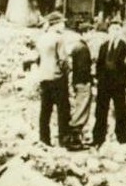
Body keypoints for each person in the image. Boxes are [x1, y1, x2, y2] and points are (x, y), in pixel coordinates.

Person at [93, 19, 126, 147]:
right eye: (113, 29)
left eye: (118, 29)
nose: (115, 32)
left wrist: (124, 82)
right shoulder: (104, 46)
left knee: (121, 110)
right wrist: (99, 78)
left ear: (121, 31)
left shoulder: (125, 47)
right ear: (109, 31)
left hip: (118, 85)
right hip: (104, 84)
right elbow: (99, 64)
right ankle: (98, 138)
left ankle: (122, 137)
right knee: (101, 110)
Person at [35, 12, 71, 147]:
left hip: (44, 76)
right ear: (56, 23)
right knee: (63, 110)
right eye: (62, 22)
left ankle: (44, 139)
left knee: (45, 110)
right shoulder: (58, 38)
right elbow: (63, 60)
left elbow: (39, 59)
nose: (63, 25)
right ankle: (64, 139)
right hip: (57, 77)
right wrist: (67, 72)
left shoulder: (41, 38)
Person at [64, 26, 92, 149]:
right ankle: (74, 138)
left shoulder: (76, 47)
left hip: (77, 81)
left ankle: (73, 137)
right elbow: (83, 68)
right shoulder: (83, 48)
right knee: (82, 109)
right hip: (83, 81)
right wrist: (88, 81)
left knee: (79, 107)